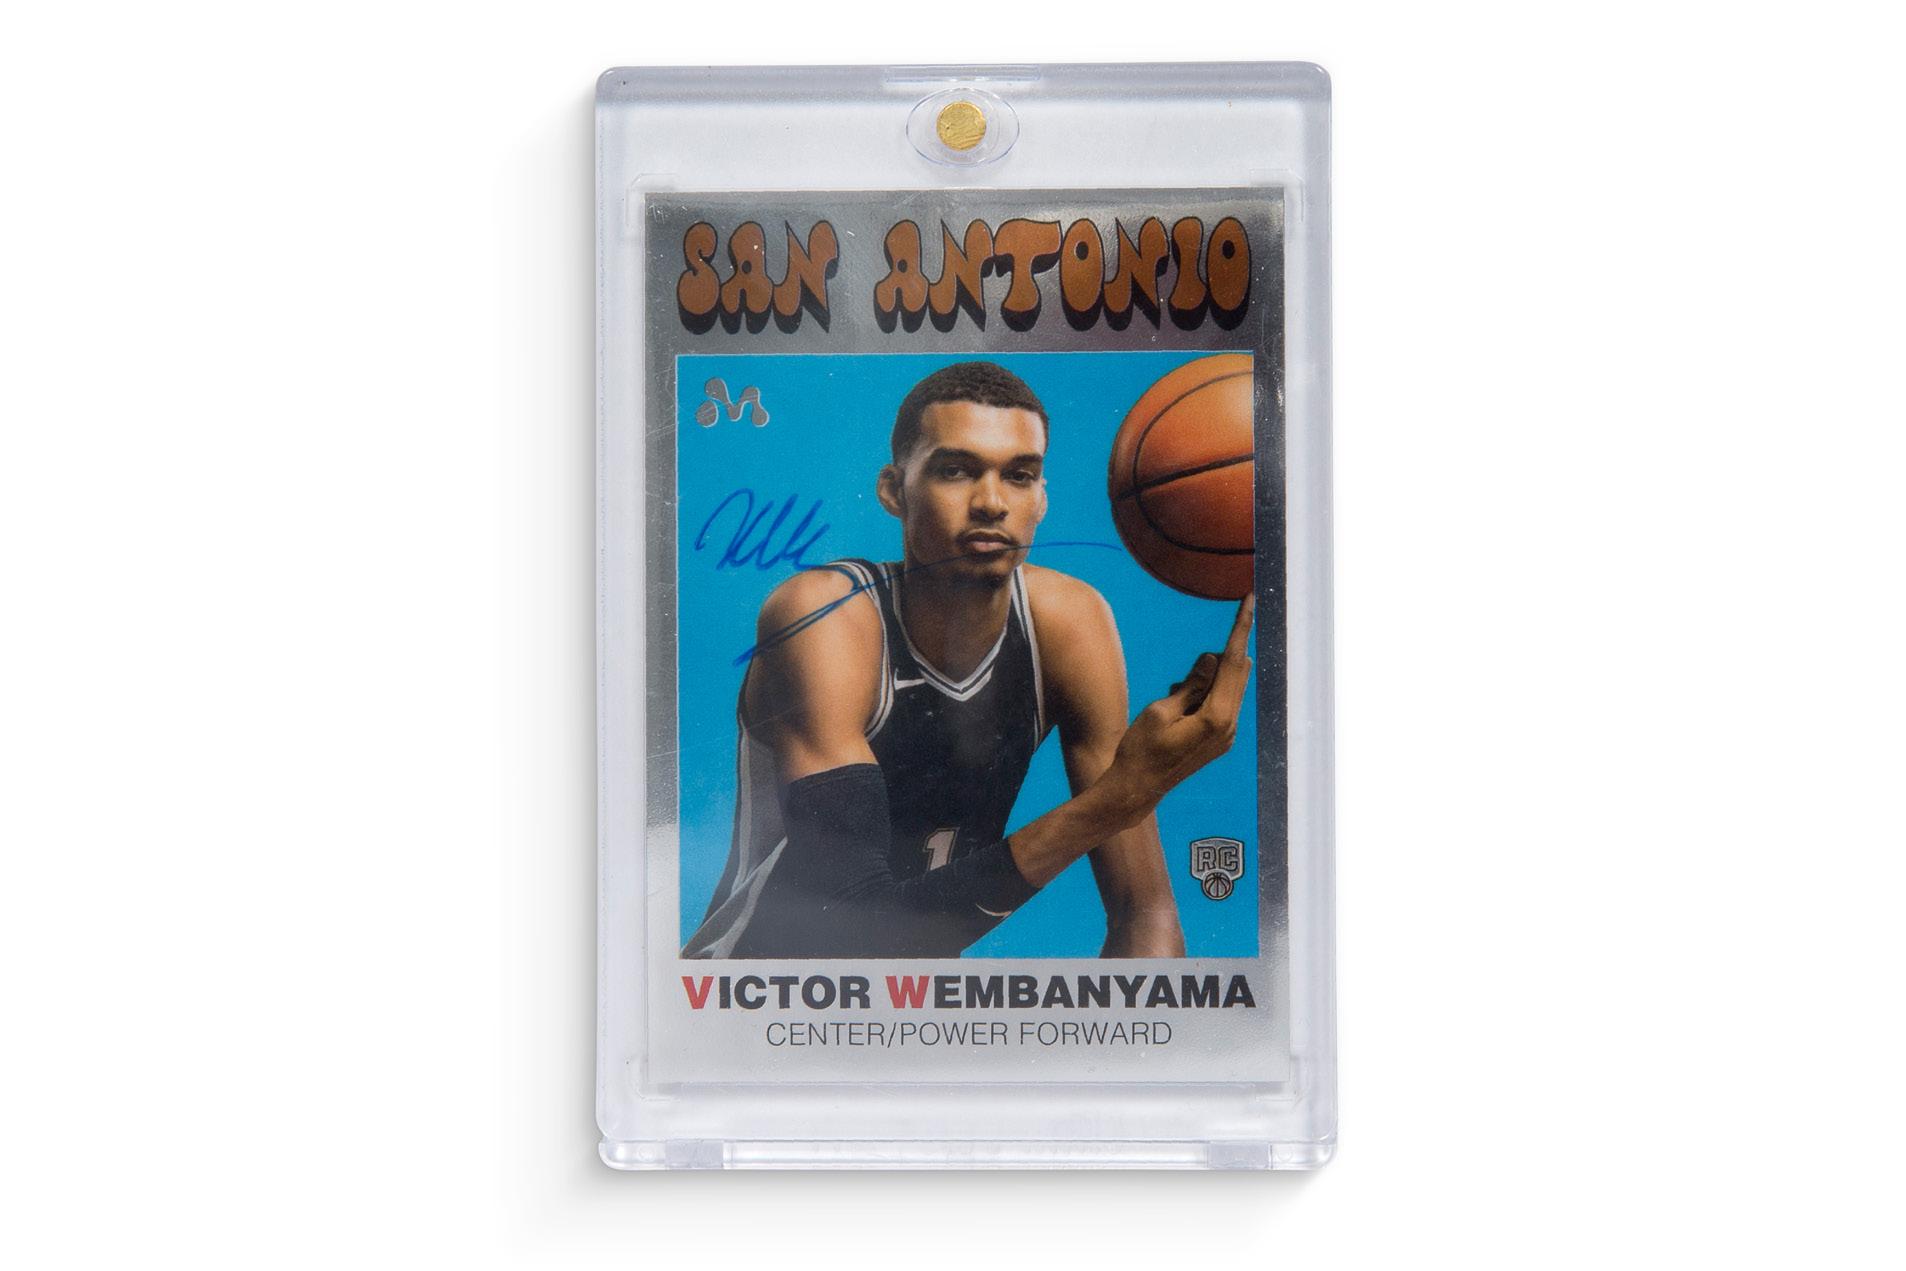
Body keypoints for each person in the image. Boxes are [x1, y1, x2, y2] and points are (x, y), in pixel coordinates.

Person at [684, 361, 1252, 958]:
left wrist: (1141, 1031)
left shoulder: (1069, 623)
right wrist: (1115, 800)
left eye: (1019, 475)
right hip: (759, 993)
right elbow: (854, 926)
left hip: (919, 1002)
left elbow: (1145, 914)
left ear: (1042, 499)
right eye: (955, 470)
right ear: (893, 490)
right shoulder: (826, 617)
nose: (991, 502)